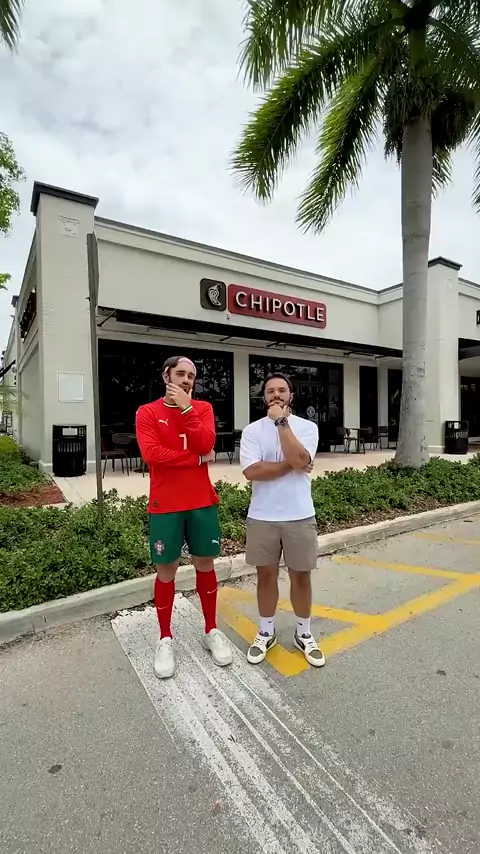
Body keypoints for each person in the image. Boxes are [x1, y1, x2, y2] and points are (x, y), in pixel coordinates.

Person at [135, 355, 233, 679]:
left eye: (191, 375)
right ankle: (165, 638)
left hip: (201, 501)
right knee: (167, 569)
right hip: (165, 504)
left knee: (205, 564)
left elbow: (207, 442)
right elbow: (152, 455)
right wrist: (197, 459)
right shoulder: (147, 412)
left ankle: (211, 630)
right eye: (181, 373)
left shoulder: (202, 409)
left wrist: (187, 409)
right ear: (166, 376)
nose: (187, 380)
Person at [239, 372, 325, 668]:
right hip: (262, 517)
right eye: (270, 391)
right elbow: (252, 472)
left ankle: (304, 633)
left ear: (291, 395)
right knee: (265, 576)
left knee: (301, 576)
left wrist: (282, 423)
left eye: (281, 390)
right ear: (263, 397)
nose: (276, 394)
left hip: (300, 515)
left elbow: (301, 459)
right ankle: (266, 631)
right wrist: (295, 463)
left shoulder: (308, 427)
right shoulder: (252, 431)